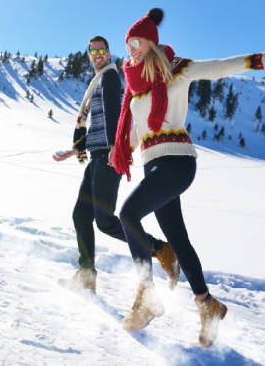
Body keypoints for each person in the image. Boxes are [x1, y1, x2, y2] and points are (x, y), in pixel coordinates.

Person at [110, 8, 265, 348]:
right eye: (127, 42)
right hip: (153, 165)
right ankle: (208, 305)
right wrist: (114, 151)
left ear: (150, 42)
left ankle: (147, 296)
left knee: (128, 215)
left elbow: (223, 65)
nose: (129, 47)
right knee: (177, 238)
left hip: (176, 163)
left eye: (135, 41)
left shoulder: (176, 70)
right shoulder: (135, 89)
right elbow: (138, 133)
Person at [53, 36, 180, 294]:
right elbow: (99, 125)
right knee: (81, 216)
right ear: (89, 54)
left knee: (106, 222)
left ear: (108, 54)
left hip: (108, 158)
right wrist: (76, 149)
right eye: (93, 51)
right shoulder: (99, 80)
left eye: (102, 50)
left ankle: (162, 250)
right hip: (98, 157)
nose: (97, 54)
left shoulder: (110, 77)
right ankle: (86, 274)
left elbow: (116, 115)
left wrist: (114, 147)